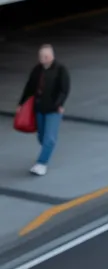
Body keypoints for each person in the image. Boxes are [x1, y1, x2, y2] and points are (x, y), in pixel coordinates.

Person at [19, 44, 71, 176]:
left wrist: (58, 104)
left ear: (52, 56)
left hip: (53, 109)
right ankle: (47, 151)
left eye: (46, 56)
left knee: (49, 138)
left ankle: (41, 163)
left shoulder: (61, 69)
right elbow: (29, 87)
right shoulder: (37, 70)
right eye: (41, 56)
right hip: (39, 108)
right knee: (41, 135)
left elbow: (64, 89)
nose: (43, 59)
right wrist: (22, 103)